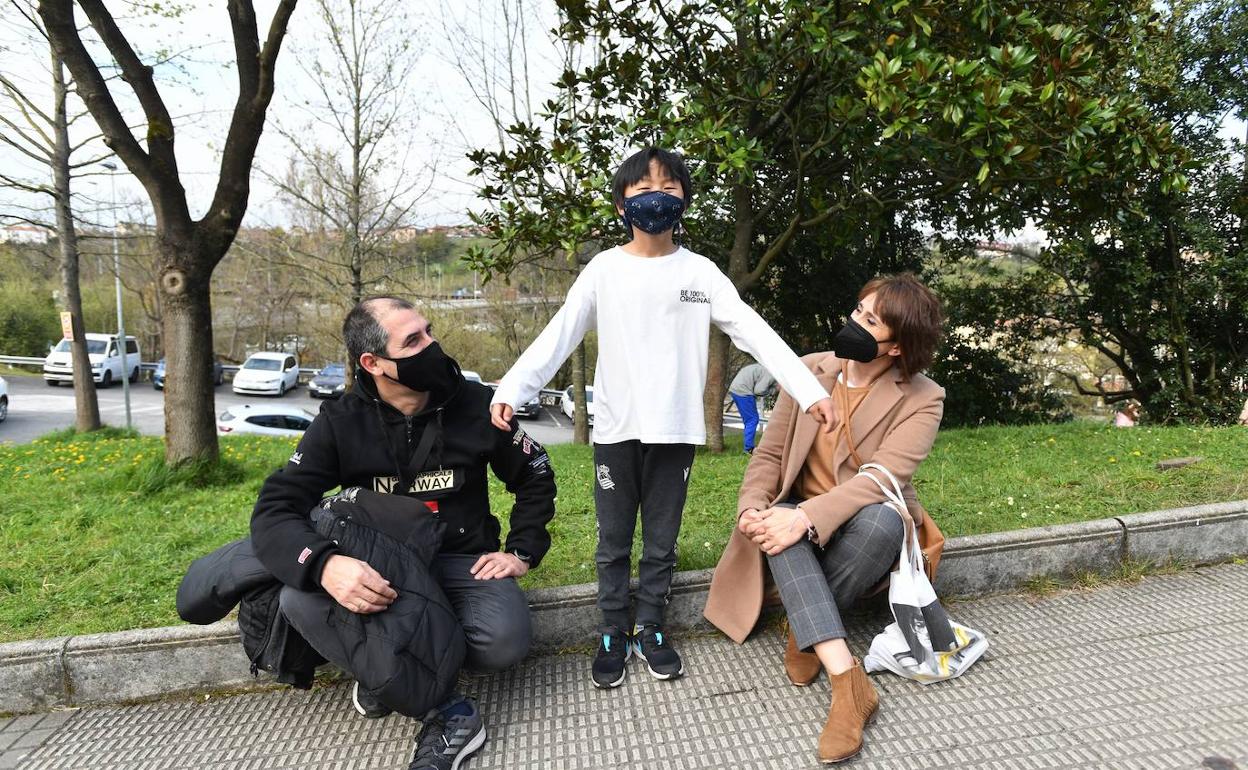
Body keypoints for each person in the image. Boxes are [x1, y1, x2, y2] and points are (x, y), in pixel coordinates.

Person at [489, 146, 836, 690]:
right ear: (622, 205)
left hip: (675, 430)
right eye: (643, 188)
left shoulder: (701, 272)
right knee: (613, 538)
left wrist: (809, 390)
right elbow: (561, 333)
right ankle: (611, 628)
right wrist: (514, 387)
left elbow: (753, 331)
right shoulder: (604, 269)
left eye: (670, 187)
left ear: (686, 201)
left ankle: (650, 626)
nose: (657, 196)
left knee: (661, 540)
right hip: (616, 429)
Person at [250, 296, 556, 770]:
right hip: (380, 563)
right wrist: (327, 565)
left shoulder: (480, 405)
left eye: (428, 332)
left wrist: (522, 551)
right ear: (373, 363)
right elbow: (275, 508)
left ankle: (384, 666)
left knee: (503, 642)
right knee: (300, 600)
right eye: (413, 341)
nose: (432, 346)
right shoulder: (340, 421)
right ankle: (436, 704)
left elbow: (536, 473)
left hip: (461, 558)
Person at [703, 273, 946, 764]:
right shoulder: (806, 372)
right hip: (794, 514)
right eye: (858, 310)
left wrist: (807, 517)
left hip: (862, 523)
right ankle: (847, 680)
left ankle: (806, 625)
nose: (854, 322)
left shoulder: (924, 397)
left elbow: (882, 479)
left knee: (883, 518)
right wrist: (752, 505)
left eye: (871, 321)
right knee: (780, 521)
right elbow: (769, 456)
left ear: (897, 346)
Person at [729, 361, 777, 454]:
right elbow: (759, 390)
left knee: (749, 420)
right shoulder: (772, 373)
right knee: (752, 419)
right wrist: (775, 390)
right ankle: (749, 448)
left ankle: (748, 446)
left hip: (736, 389)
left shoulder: (767, 367)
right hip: (743, 391)